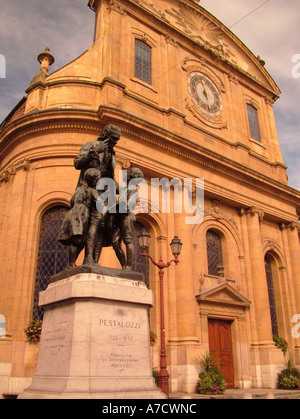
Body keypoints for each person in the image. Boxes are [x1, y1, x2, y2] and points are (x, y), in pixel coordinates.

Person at [74, 125, 121, 266]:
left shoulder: (112, 154)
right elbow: (77, 163)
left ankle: (93, 260)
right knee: (82, 228)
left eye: (116, 140)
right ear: (105, 135)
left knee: (101, 227)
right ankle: (73, 262)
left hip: (105, 195)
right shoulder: (91, 145)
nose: (115, 143)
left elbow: (110, 178)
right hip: (88, 190)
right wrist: (93, 152)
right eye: (113, 139)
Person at [58, 168, 101, 268]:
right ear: (93, 180)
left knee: (74, 240)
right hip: (83, 215)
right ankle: (75, 263)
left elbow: (71, 202)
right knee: (80, 239)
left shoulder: (78, 190)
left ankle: (71, 264)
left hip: (73, 213)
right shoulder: (92, 190)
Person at [112, 167, 144, 270]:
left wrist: (114, 208)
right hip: (119, 217)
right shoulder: (125, 189)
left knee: (128, 240)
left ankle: (129, 267)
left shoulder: (133, 190)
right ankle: (124, 266)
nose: (126, 176)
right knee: (115, 242)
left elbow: (127, 206)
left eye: (128, 174)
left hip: (126, 217)